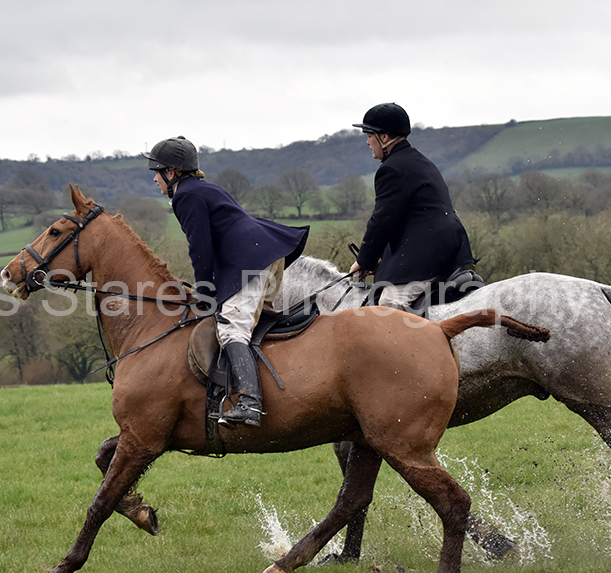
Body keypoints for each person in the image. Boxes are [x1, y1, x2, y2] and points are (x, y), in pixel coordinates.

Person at [146, 136, 308, 426]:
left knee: (233, 328)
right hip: (267, 255)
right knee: (253, 325)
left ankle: (249, 403)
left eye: (156, 173)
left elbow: (200, 249)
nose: (154, 179)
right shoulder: (202, 188)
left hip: (251, 262)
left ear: (170, 172)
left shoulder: (185, 196)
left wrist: (205, 290)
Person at [347, 103, 477, 312]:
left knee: (387, 306)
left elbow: (382, 222)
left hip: (429, 252)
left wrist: (364, 260)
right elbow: (407, 220)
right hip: (447, 245)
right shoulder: (419, 161)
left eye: (370, 135)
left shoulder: (391, 169)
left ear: (384, 137)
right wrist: (381, 259)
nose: (367, 142)